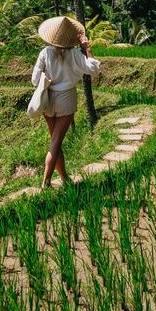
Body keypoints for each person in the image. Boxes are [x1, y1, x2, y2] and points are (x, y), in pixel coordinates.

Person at [27, 15, 100, 188]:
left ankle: (65, 178)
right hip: (66, 99)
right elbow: (94, 70)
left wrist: (49, 78)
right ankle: (46, 181)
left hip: (48, 100)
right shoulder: (75, 54)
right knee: (56, 141)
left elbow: (35, 80)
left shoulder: (45, 53)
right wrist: (87, 47)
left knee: (55, 140)